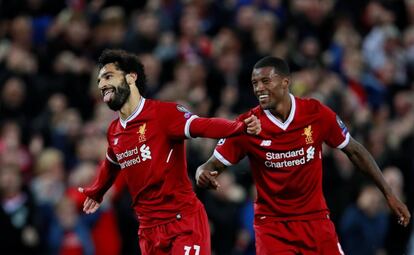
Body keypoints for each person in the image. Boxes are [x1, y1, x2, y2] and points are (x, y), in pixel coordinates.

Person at [196, 56, 411, 254]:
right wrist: (203, 173)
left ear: (285, 82)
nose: (259, 88)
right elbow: (212, 164)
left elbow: (354, 150)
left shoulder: (316, 114)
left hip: (315, 220)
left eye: (265, 81)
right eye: (255, 83)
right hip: (273, 226)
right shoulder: (248, 125)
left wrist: (389, 193)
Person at [77, 49, 261, 255]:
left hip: (182, 223)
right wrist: (97, 191)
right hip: (148, 231)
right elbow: (111, 162)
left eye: (108, 76)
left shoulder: (163, 114)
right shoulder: (115, 131)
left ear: (131, 77)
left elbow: (202, 125)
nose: (102, 84)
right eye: (100, 80)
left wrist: (238, 126)